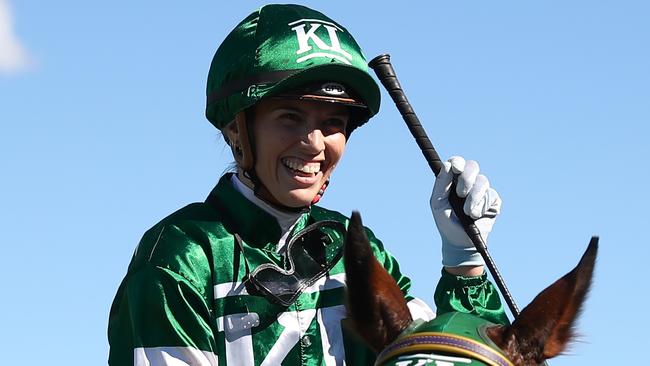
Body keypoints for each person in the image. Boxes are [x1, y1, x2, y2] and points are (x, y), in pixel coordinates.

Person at [108, 4, 507, 365]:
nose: (315, 143)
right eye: (289, 116)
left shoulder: (350, 247)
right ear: (236, 128)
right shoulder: (182, 256)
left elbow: (459, 357)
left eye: (333, 123)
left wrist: (464, 262)